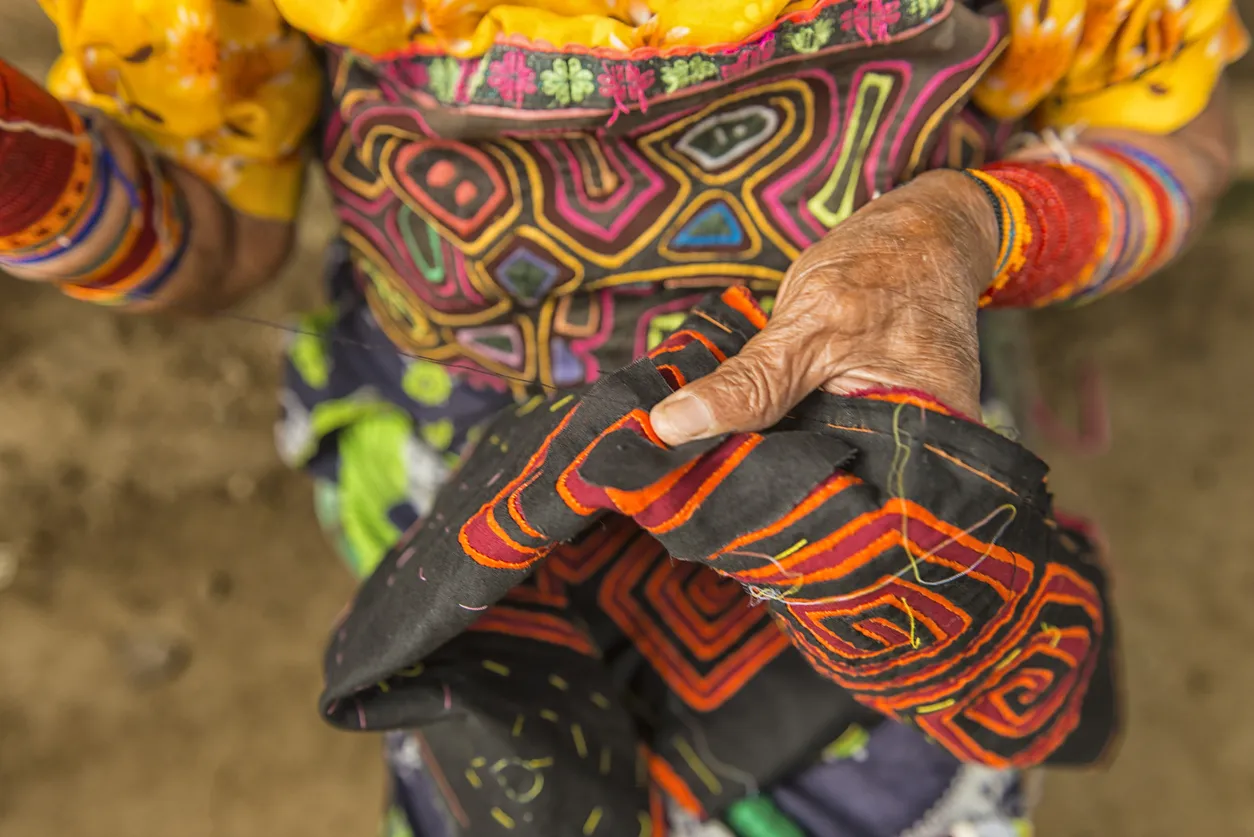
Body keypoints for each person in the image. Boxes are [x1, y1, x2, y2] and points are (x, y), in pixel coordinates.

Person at [0, 0, 1243, 833]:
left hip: (875, 415)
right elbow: (211, 240)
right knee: (509, 763)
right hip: (472, 447)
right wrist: (26, 169)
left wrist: (967, 231)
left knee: (907, 766)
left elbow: (1168, 138)